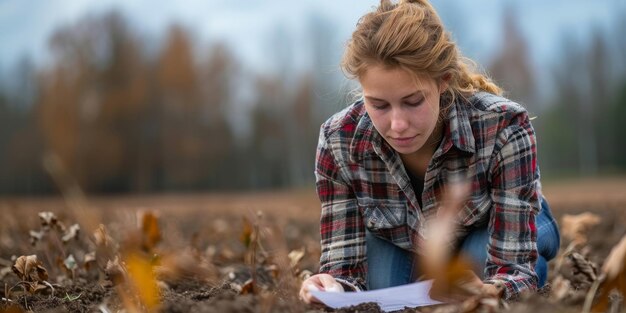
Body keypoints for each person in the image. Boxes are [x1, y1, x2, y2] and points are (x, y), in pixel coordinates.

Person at [299, 0, 560, 304]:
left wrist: (493, 289)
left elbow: (512, 268)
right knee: (381, 287)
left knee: (478, 265)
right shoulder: (338, 141)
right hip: (407, 240)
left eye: (413, 101)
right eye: (379, 105)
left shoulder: (503, 125)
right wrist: (331, 288)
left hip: (501, 224)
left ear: (442, 82)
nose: (398, 124)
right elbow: (345, 271)